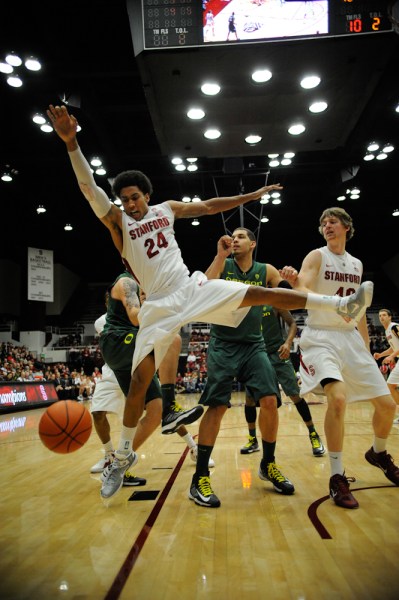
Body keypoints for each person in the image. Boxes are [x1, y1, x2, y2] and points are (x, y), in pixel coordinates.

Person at [47, 104, 373, 501]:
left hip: (191, 287)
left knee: (263, 293)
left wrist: (252, 195)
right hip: (160, 306)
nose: (130, 204)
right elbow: (88, 188)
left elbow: (209, 206)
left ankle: (339, 305)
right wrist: (71, 142)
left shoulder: (167, 210)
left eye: (134, 197)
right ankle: (122, 456)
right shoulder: (117, 222)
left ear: (147, 195)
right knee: (137, 382)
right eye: (124, 199)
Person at [280, 207, 399, 509]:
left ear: (346, 226)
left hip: (350, 339)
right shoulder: (317, 256)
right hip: (321, 337)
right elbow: (304, 285)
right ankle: (336, 476)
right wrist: (295, 281)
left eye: (332, 222)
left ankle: (378, 453)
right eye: (323, 223)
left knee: (387, 405)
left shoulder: (356, 264)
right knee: (338, 398)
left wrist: (364, 347)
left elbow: (357, 311)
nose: (327, 226)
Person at [190, 228, 297, 508]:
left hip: (254, 345)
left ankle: (268, 464)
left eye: (240, 236)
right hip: (224, 344)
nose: (234, 239)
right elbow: (201, 289)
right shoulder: (223, 265)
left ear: (252, 243)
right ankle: (199, 476)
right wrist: (219, 255)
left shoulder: (265, 269)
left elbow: (289, 294)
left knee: (271, 400)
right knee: (217, 406)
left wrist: (292, 279)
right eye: (232, 236)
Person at [90, 283, 211, 484]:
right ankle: (110, 455)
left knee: (162, 410)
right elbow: (137, 324)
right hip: (114, 368)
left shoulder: (135, 306)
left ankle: (192, 446)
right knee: (97, 413)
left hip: (137, 363)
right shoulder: (102, 321)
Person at [241, 304, 325, 457]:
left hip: (278, 354)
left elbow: (292, 323)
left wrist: (287, 343)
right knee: (249, 400)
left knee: (295, 395)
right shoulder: (247, 304)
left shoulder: (274, 302)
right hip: (256, 355)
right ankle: (253, 439)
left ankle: (313, 434)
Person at [373, 308, 399, 424]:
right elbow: (393, 348)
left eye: (384, 315)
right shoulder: (386, 331)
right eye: (379, 316)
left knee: (390, 385)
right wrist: (382, 355)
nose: (381, 317)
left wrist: (391, 356)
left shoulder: (394, 327)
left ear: (390, 317)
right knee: (391, 385)